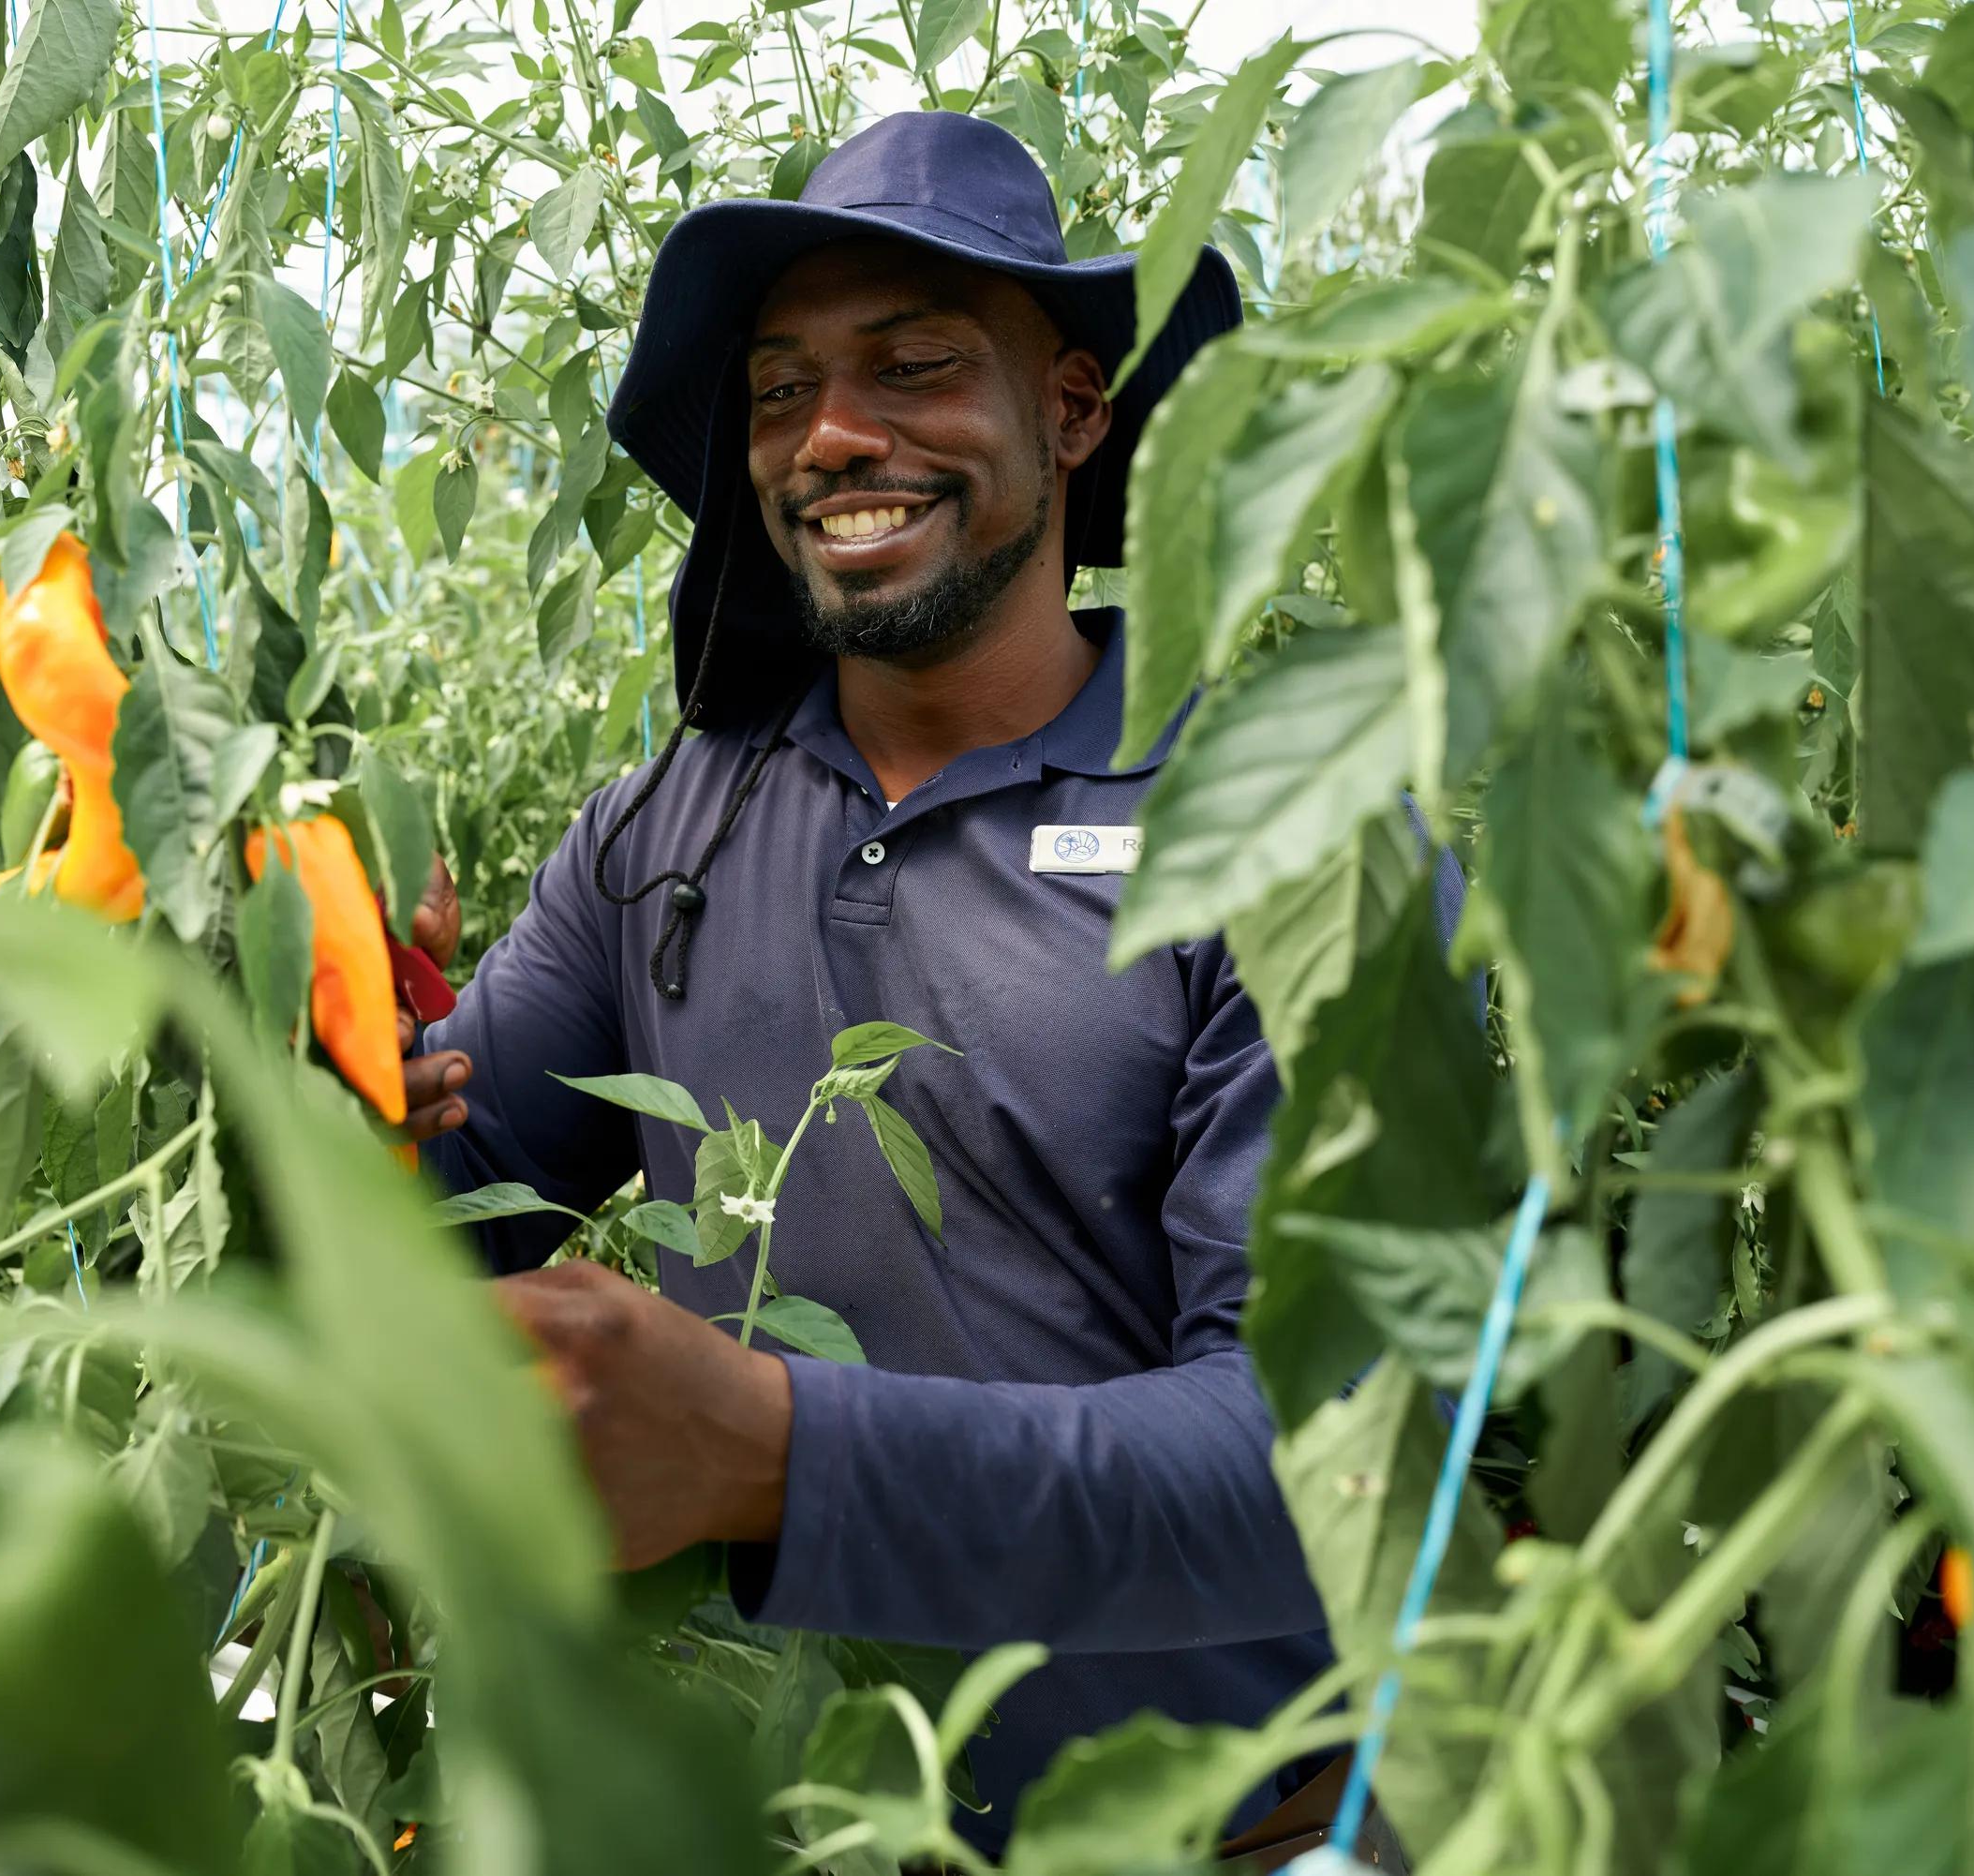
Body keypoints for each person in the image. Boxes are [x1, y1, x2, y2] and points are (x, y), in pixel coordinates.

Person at [393, 112, 1445, 1860]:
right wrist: (340, 1036)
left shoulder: (1288, 838)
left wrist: (778, 1449)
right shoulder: (666, 829)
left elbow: (1315, 1455)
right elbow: (443, 1206)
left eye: (918, 367)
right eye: (781, 389)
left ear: (1076, 409)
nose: (836, 439)